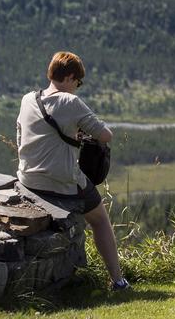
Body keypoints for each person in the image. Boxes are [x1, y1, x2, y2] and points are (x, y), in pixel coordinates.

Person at [15, 51, 130, 291]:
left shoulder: (28, 99)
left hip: (27, 178)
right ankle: (118, 281)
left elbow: (20, 135)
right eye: (78, 82)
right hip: (61, 182)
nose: (77, 87)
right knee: (100, 220)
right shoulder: (70, 102)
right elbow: (106, 135)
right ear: (69, 77)